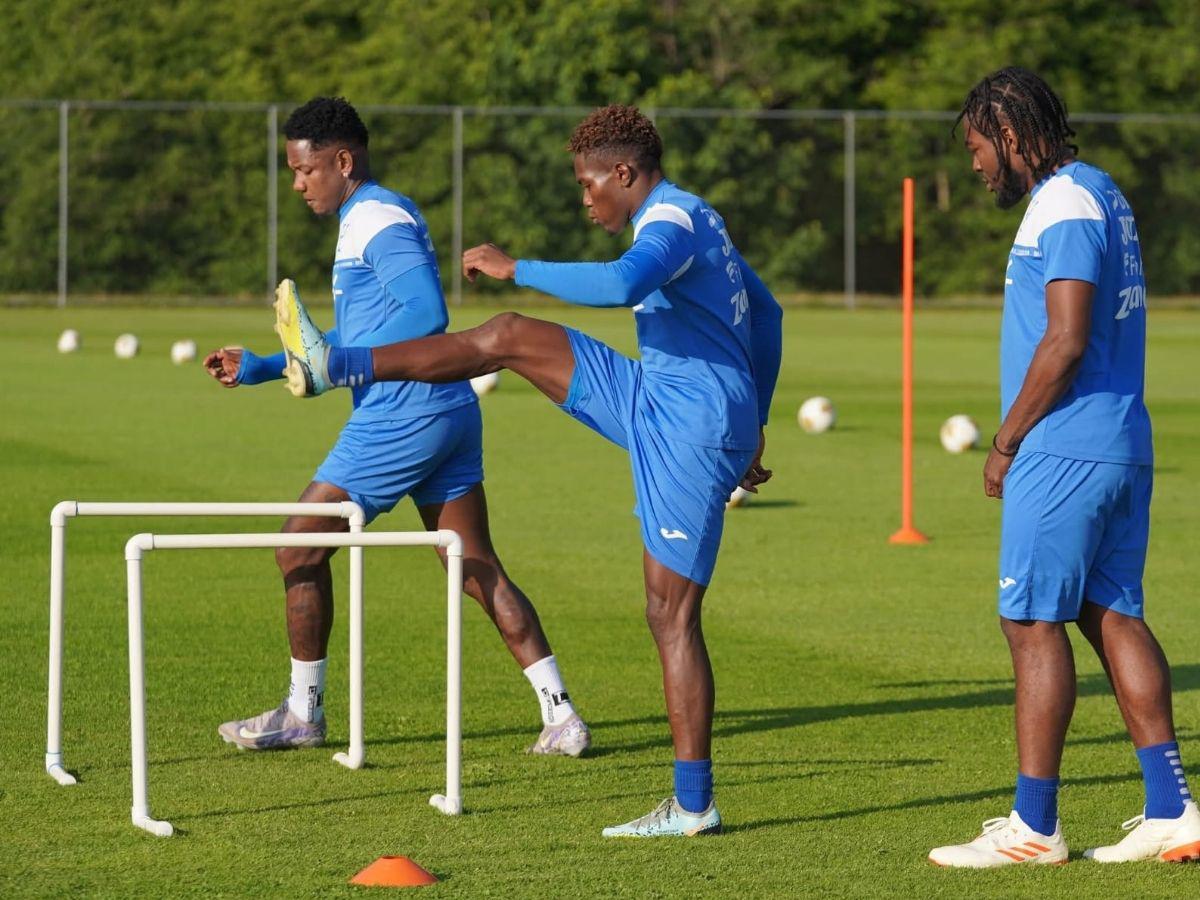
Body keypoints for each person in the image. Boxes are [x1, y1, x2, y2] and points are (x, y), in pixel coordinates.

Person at [272, 104, 783, 837]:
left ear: (625, 173)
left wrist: (518, 268)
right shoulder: (702, 216)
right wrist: (756, 420)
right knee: (507, 336)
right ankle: (336, 364)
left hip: (686, 427)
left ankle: (694, 805)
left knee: (670, 615)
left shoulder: (667, 222)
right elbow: (766, 316)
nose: (585, 198)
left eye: (588, 184)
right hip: (662, 397)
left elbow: (621, 287)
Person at [202, 96, 589, 758]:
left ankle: (303, 713)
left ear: (342, 161)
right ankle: (561, 715)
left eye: (305, 170)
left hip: (403, 415)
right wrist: (263, 366)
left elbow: (426, 312)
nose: (297, 184)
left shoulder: (376, 218)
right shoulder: (369, 216)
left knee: (297, 548)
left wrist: (344, 365)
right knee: (472, 564)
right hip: (445, 411)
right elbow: (349, 347)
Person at [929, 68, 1198, 867]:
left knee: (1030, 620)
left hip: (1066, 444)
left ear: (1011, 136)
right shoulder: (1102, 192)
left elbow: (1066, 337)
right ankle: (1173, 809)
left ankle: (1034, 827)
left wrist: (1008, 439)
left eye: (979, 148)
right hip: (1116, 438)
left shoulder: (1066, 202)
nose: (976, 166)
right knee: (1109, 611)